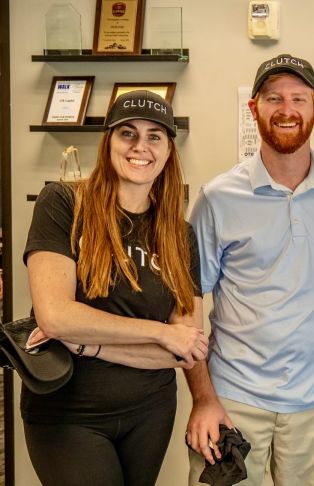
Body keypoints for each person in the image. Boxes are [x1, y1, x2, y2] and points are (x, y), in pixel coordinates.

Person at [185, 54, 314, 486]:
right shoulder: (218, 198)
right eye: (274, 97)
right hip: (232, 399)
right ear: (254, 107)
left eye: (299, 97)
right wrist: (203, 397)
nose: (286, 108)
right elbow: (188, 301)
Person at [23, 90, 208, 486]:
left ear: (169, 151)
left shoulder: (180, 234)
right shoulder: (63, 205)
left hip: (150, 411)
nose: (141, 147)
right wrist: (160, 332)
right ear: (108, 141)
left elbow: (188, 346)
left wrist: (91, 343)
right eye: (128, 133)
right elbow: (55, 316)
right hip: (70, 412)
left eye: (155, 136)